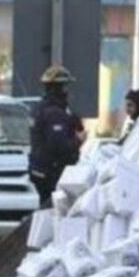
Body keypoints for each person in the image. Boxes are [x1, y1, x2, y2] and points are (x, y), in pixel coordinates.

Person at [29, 66, 85, 205]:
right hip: (52, 171)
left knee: (47, 206)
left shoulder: (40, 108)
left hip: (40, 169)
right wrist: (78, 140)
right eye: (65, 86)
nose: (68, 91)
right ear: (60, 87)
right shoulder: (53, 112)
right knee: (52, 208)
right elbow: (58, 145)